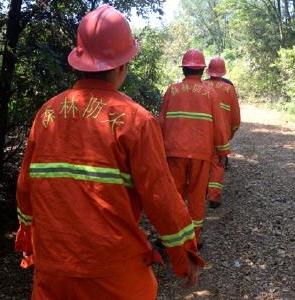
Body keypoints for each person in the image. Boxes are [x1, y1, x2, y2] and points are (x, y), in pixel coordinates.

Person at [14, 5, 204, 300]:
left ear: (78, 61)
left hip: (53, 271)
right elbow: (161, 197)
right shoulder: (135, 120)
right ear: (121, 66)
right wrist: (184, 255)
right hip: (114, 275)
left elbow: (26, 187)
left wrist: (27, 237)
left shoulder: (47, 114)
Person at [158, 49, 230, 248]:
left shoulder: (172, 90)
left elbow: (161, 122)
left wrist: (158, 150)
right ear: (201, 70)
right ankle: (194, 240)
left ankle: (172, 238)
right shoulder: (210, 93)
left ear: (184, 70)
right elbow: (219, 125)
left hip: (173, 152)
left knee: (174, 195)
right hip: (201, 153)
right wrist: (222, 150)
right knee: (197, 196)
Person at [204, 57, 241, 209]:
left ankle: (203, 190)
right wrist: (230, 133)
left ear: (208, 70)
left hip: (203, 134)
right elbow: (235, 117)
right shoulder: (229, 89)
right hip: (222, 134)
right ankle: (214, 195)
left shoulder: (202, 86)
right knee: (218, 163)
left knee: (204, 163)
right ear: (223, 71)